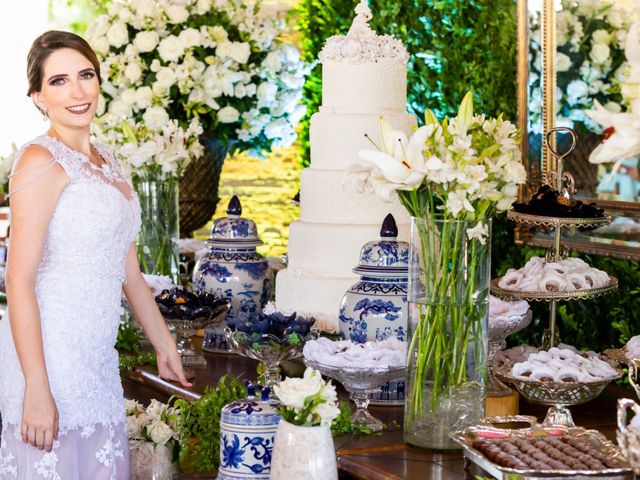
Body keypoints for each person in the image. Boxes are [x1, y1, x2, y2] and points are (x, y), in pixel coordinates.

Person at [0, 30, 190, 479]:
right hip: (48, 358)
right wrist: (36, 389)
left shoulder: (107, 160)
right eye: (60, 81)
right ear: (38, 96)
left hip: (95, 361)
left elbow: (128, 269)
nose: (78, 91)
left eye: (85, 75)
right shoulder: (39, 161)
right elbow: (18, 280)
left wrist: (165, 344)